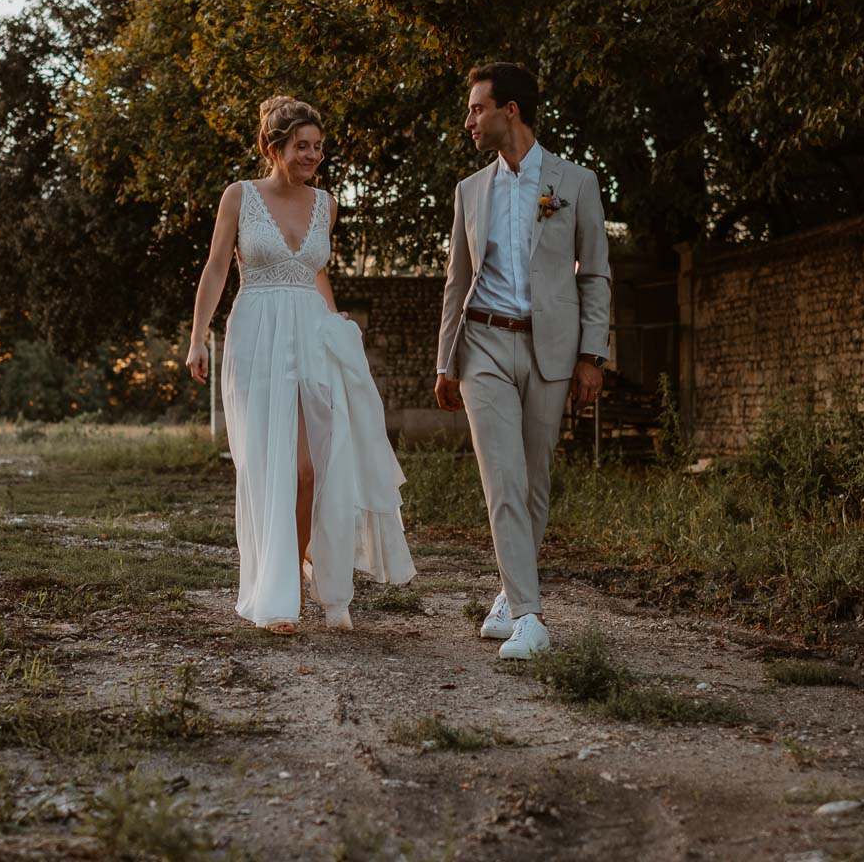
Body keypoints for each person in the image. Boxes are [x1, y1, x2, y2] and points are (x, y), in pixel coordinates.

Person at [187, 96, 416, 633]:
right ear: (274, 148)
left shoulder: (326, 203)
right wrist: (198, 338)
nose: (313, 155)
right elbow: (217, 266)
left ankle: (309, 564)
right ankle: (280, 592)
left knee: (315, 466)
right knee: (269, 466)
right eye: (301, 146)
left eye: (318, 147)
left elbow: (315, 274)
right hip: (256, 335)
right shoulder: (239, 197)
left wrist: (339, 331)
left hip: (312, 335)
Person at [434, 63, 612, 659]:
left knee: (535, 480)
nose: (469, 120)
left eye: (477, 108)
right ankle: (532, 617)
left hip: (551, 350)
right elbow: (457, 280)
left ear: (510, 110)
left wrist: (593, 356)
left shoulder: (577, 183)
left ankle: (511, 595)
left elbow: (597, 276)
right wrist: (446, 361)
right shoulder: (469, 191)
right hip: (483, 342)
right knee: (503, 477)